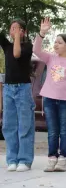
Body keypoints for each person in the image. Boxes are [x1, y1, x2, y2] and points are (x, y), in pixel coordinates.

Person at [34, 18, 66, 172]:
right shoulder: (50, 58)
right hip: (49, 100)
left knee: (64, 130)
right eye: (55, 42)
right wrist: (42, 33)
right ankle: (52, 157)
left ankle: (63, 159)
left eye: (60, 42)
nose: (56, 44)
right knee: (53, 131)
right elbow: (36, 50)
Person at [0, 19, 35, 172]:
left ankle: (25, 160)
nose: (14, 31)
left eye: (18, 29)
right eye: (12, 28)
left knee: (24, 125)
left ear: (23, 32)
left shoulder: (27, 46)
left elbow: (16, 54)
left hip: (23, 89)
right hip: (8, 89)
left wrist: (16, 39)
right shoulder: (6, 45)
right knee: (9, 125)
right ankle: (12, 159)